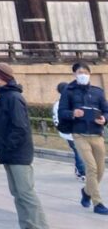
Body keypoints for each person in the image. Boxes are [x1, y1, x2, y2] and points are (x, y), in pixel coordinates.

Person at [0, 63, 50, 229]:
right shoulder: (4, 96)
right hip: (9, 153)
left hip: (18, 153)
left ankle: (39, 225)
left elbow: (20, 127)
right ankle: (27, 225)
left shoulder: (13, 98)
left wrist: (9, 145)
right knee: (17, 194)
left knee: (26, 193)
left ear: (2, 77)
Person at [58, 61, 108, 214]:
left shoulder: (98, 92)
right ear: (74, 74)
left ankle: (86, 192)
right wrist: (73, 113)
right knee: (91, 168)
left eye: (86, 72)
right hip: (80, 134)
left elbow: (106, 110)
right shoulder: (69, 91)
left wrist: (104, 119)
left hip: (97, 134)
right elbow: (62, 112)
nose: (83, 75)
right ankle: (97, 203)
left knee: (100, 170)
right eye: (80, 72)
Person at [52, 81, 87, 182]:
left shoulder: (60, 103)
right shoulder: (62, 104)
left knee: (81, 151)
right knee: (79, 151)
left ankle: (80, 169)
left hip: (75, 132)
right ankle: (82, 172)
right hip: (69, 132)